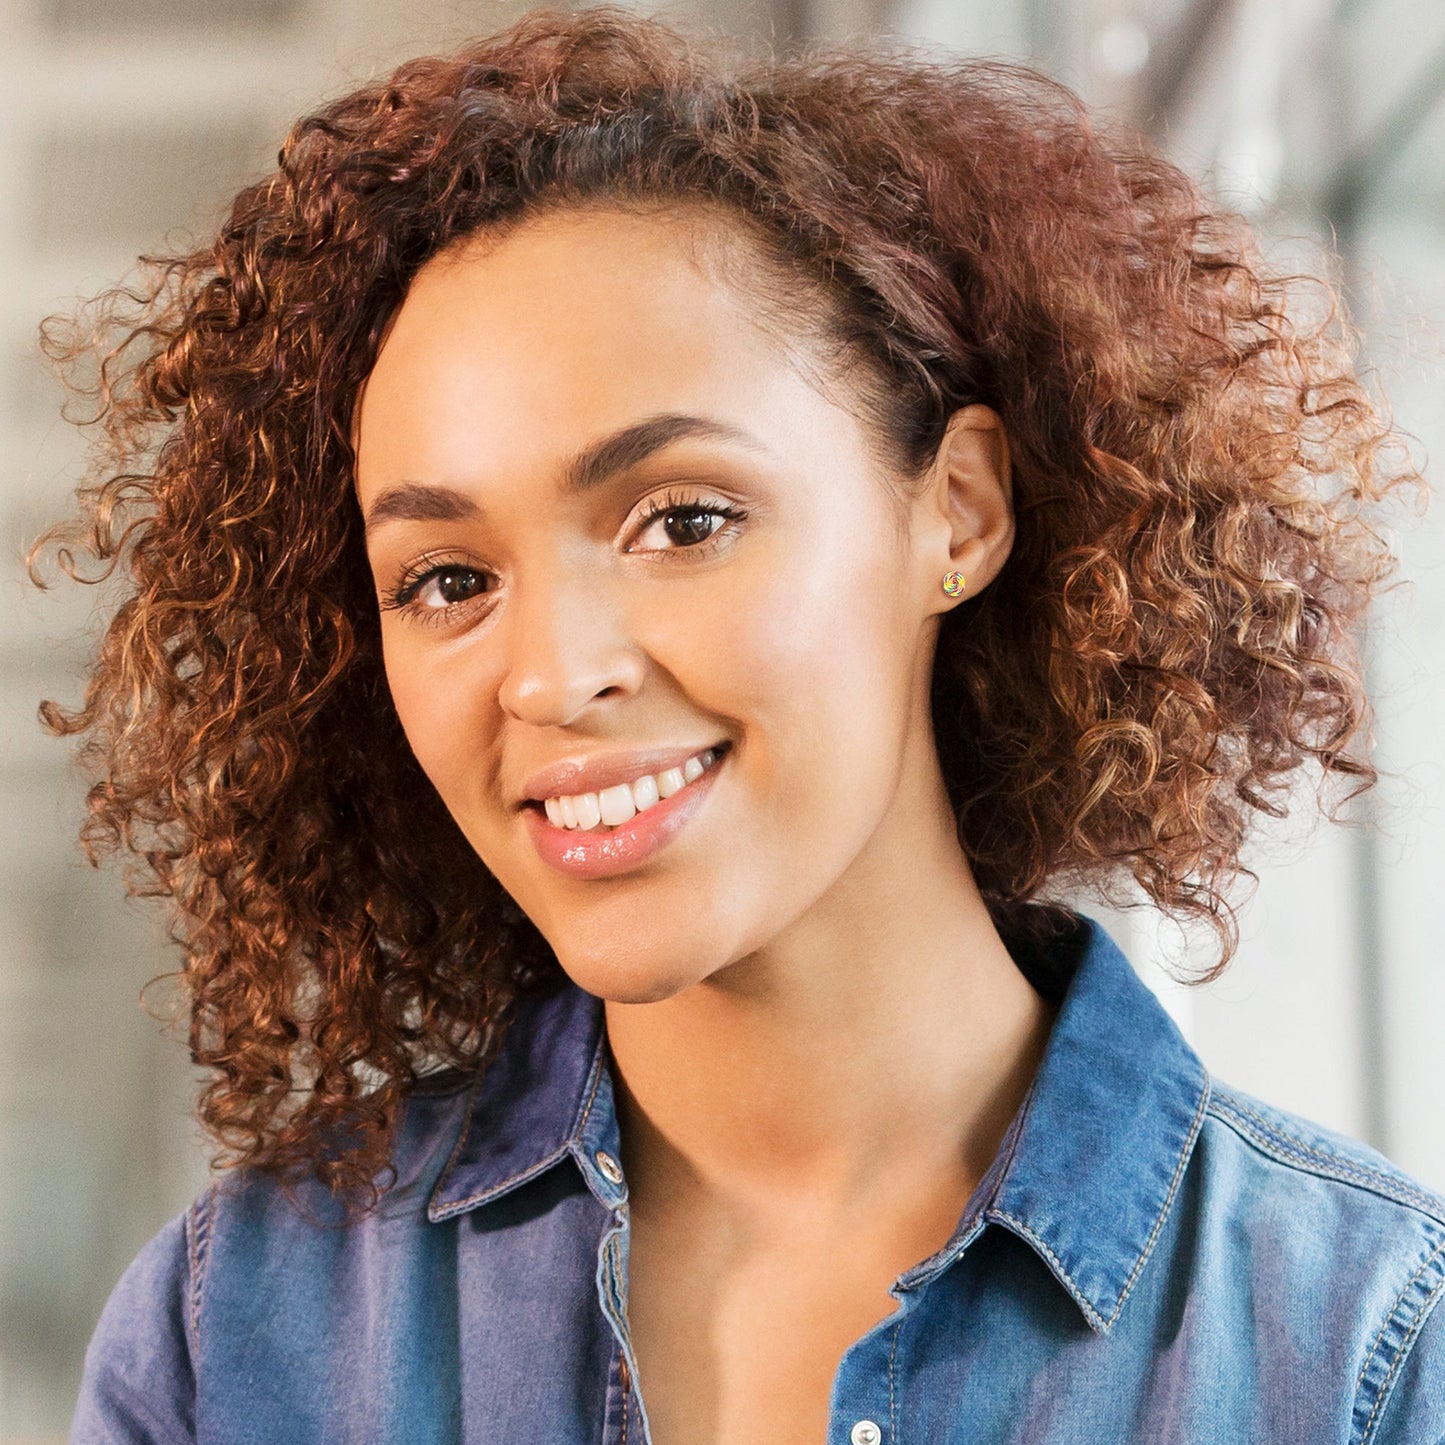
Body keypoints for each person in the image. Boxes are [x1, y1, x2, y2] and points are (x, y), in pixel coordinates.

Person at [34, 6, 1443, 1442]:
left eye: (683, 519)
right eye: (447, 578)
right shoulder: (244, 1332)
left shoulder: (1353, 1350)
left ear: (954, 511)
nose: (549, 674)